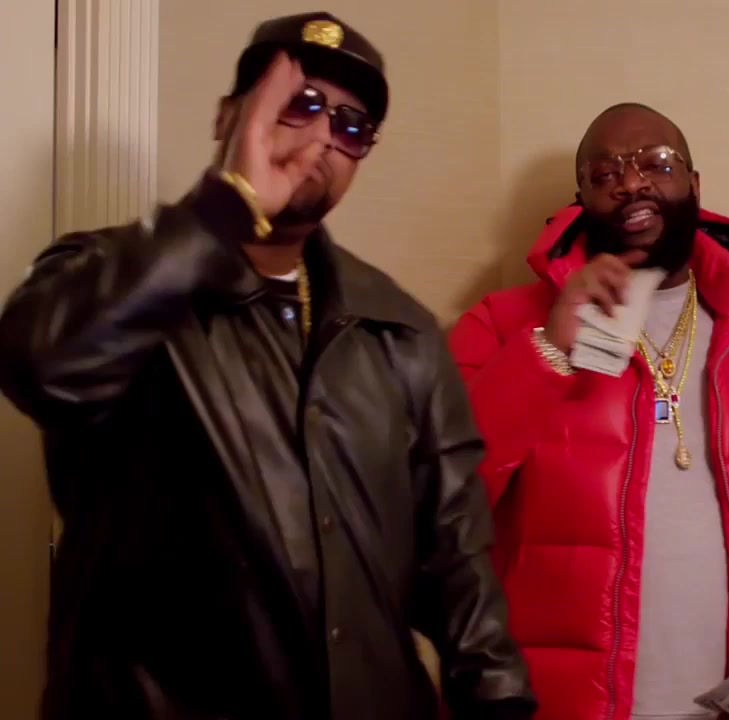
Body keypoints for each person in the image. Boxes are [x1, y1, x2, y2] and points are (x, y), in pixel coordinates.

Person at [0, 12, 533, 720]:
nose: (322, 136)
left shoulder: (398, 328)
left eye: (351, 125)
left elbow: (458, 560)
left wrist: (499, 702)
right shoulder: (110, 278)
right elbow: (39, 363)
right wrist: (226, 208)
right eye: (299, 104)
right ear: (228, 116)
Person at [448, 103, 729, 720]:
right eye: (605, 174)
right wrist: (547, 351)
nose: (631, 183)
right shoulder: (499, 327)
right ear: (581, 200)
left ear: (694, 184)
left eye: (656, 163)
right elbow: (440, 506)